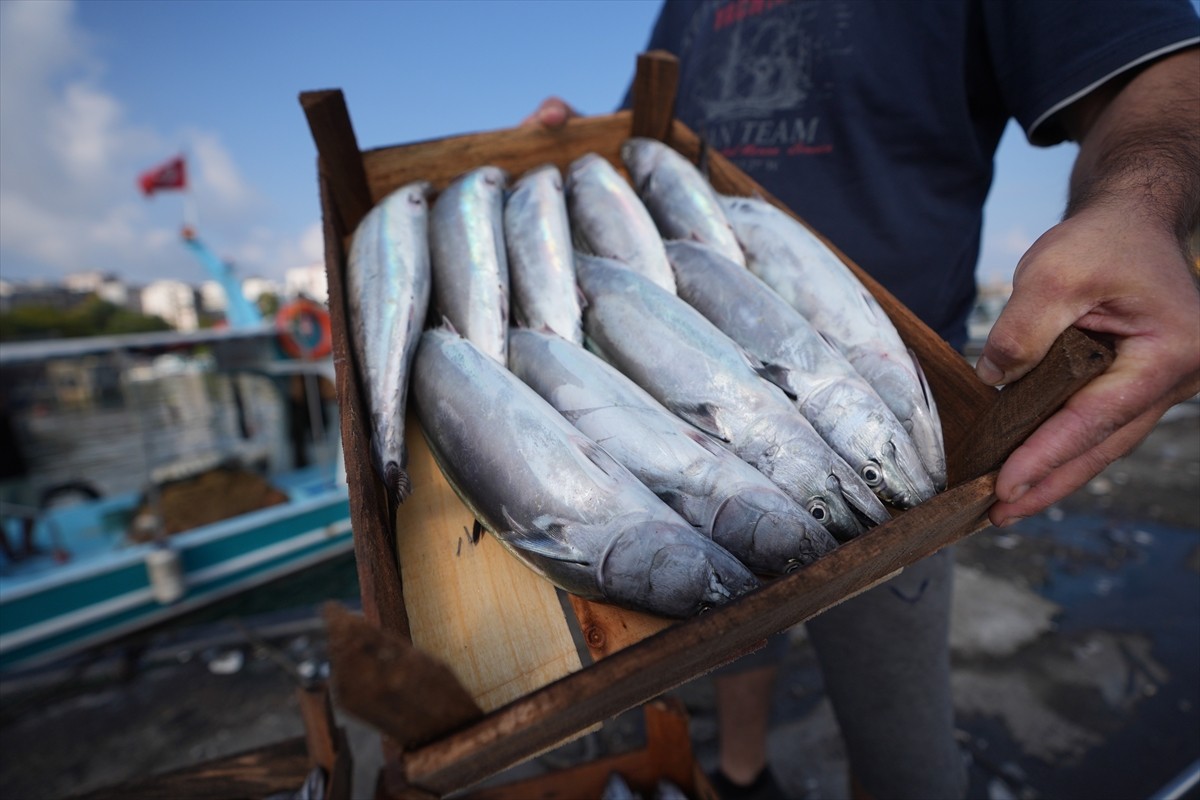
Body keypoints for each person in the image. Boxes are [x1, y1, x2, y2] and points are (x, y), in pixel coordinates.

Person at [525, 2, 1200, 798]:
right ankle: (744, 772)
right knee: (737, 608)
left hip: (899, 413)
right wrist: (589, 141)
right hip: (675, 371)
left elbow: (1161, 70)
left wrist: (1136, 204)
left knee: (899, 725)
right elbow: (661, 126)